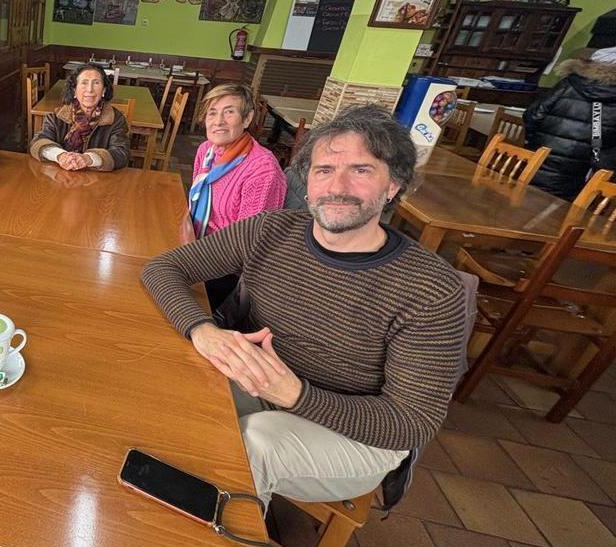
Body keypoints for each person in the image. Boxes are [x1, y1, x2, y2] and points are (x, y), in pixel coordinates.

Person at [142, 105, 466, 508]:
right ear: (307, 181)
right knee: (164, 389)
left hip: (361, 434)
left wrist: (296, 395)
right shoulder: (271, 230)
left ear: (394, 186)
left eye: (361, 170)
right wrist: (202, 331)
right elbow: (164, 267)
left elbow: (410, 423)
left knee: (255, 442)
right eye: (323, 170)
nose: (337, 186)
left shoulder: (431, 289)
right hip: (265, 385)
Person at [187, 84, 285, 307]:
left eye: (229, 112)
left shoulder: (262, 169)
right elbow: (193, 201)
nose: (218, 121)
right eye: (212, 113)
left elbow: (246, 243)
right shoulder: (206, 150)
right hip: (196, 242)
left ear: (247, 118)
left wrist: (194, 259)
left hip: (227, 270)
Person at [524, 47, 616, 199]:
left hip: (539, 158)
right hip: (581, 172)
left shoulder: (569, 83)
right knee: (558, 213)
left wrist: (534, 142)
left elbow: (533, 115)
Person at [28, 62, 130, 171]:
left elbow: (122, 154)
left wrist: (88, 159)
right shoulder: (57, 116)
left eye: (96, 83)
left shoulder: (116, 119)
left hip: (97, 181)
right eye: (84, 83)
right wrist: (61, 156)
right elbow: (37, 143)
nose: (90, 90)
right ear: (74, 91)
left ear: (104, 91)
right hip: (61, 176)